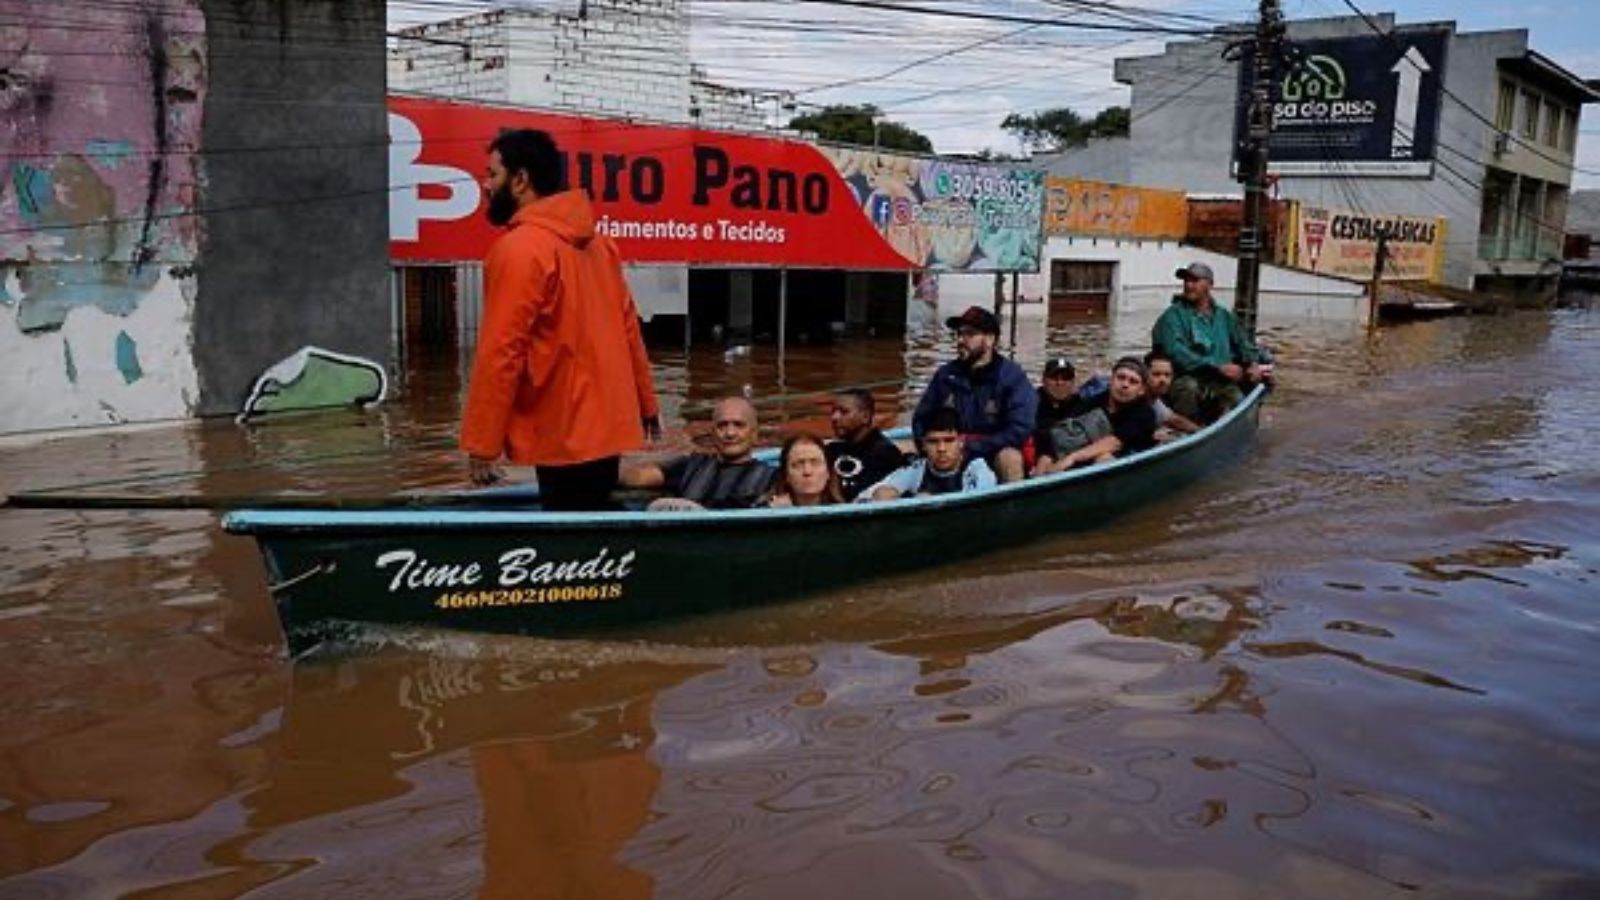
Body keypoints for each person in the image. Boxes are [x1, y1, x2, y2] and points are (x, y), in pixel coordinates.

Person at [459, 129, 660, 511]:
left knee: (570, 526)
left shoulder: (520, 249)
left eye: (492, 174)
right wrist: (647, 406)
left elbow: (502, 352)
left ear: (520, 180)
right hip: (607, 428)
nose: (485, 185)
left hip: (562, 431)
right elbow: (629, 331)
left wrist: (482, 443)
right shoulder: (601, 245)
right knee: (594, 519)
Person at [912, 306, 1036, 483]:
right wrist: (930, 446)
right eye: (959, 334)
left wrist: (971, 446)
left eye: (969, 334)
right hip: (948, 450)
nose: (960, 340)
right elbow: (921, 418)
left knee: (1010, 458)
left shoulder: (1012, 377)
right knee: (900, 448)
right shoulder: (945, 375)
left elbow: (1020, 429)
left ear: (990, 339)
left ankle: (1012, 500)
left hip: (993, 452)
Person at [1151, 261, 1270, 423]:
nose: (1188, 285)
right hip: (1185, 378)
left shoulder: (1224, 316)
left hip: (1220, 382)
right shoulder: (1172, 316)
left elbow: (1243, 343)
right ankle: (1185, 430)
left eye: (1195, 280)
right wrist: (1217, 366)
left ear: (1210, 284)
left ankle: (1229, 426)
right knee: (1188, 388)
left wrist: (1253, 364)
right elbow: (1175, 351)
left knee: (1237, 399)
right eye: (1186, 280)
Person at [620, 396, 776, 510]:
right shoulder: (691, 465)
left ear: (755, 434)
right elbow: (640, 477)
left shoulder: (772, 477)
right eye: (722, 425)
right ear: (713, 433)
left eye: (739, 425)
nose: (730, 433)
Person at [1034, 357, 1159, 473]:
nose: (1125, 385)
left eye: (1133, 382)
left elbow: (1115, 442)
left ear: (1141, 390)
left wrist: (1072, 458)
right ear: (1111, 380)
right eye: (1121, 378)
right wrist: (1046, 457)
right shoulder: (1093, 402)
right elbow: (1064, 429)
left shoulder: (1144, 413)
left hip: (1128, 461)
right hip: (1085, 456)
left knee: (1104, 458)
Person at [863, 408, 997, 501]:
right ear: (923, 445)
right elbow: (871, 495)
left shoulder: (977, 468)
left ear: (961, 442)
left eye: (949, 440)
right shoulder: (917, 469)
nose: (941, 449)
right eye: (933, 442)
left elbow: (982, 506)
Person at [824, 389, 907, 501]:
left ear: (865, 417)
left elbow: (863, 500)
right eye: (833, 411)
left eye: (844, 412)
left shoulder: (884, 454)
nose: (834, 417)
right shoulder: (833, 449)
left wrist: (834, 490)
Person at [766, 434, 844, 508]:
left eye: (815, 463)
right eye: (798, 464)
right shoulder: (765, 511)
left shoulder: (845, 512)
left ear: (828, 472)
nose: (807, 472)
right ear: (786, 475)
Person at [1143, 349, 1201, 441]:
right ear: (1144, 375)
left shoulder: (1154, 400)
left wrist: (1202, 432)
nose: (1163, 380)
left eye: (1167, 375)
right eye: (1156, 374)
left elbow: (1174, 420)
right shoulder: (1136, 398)